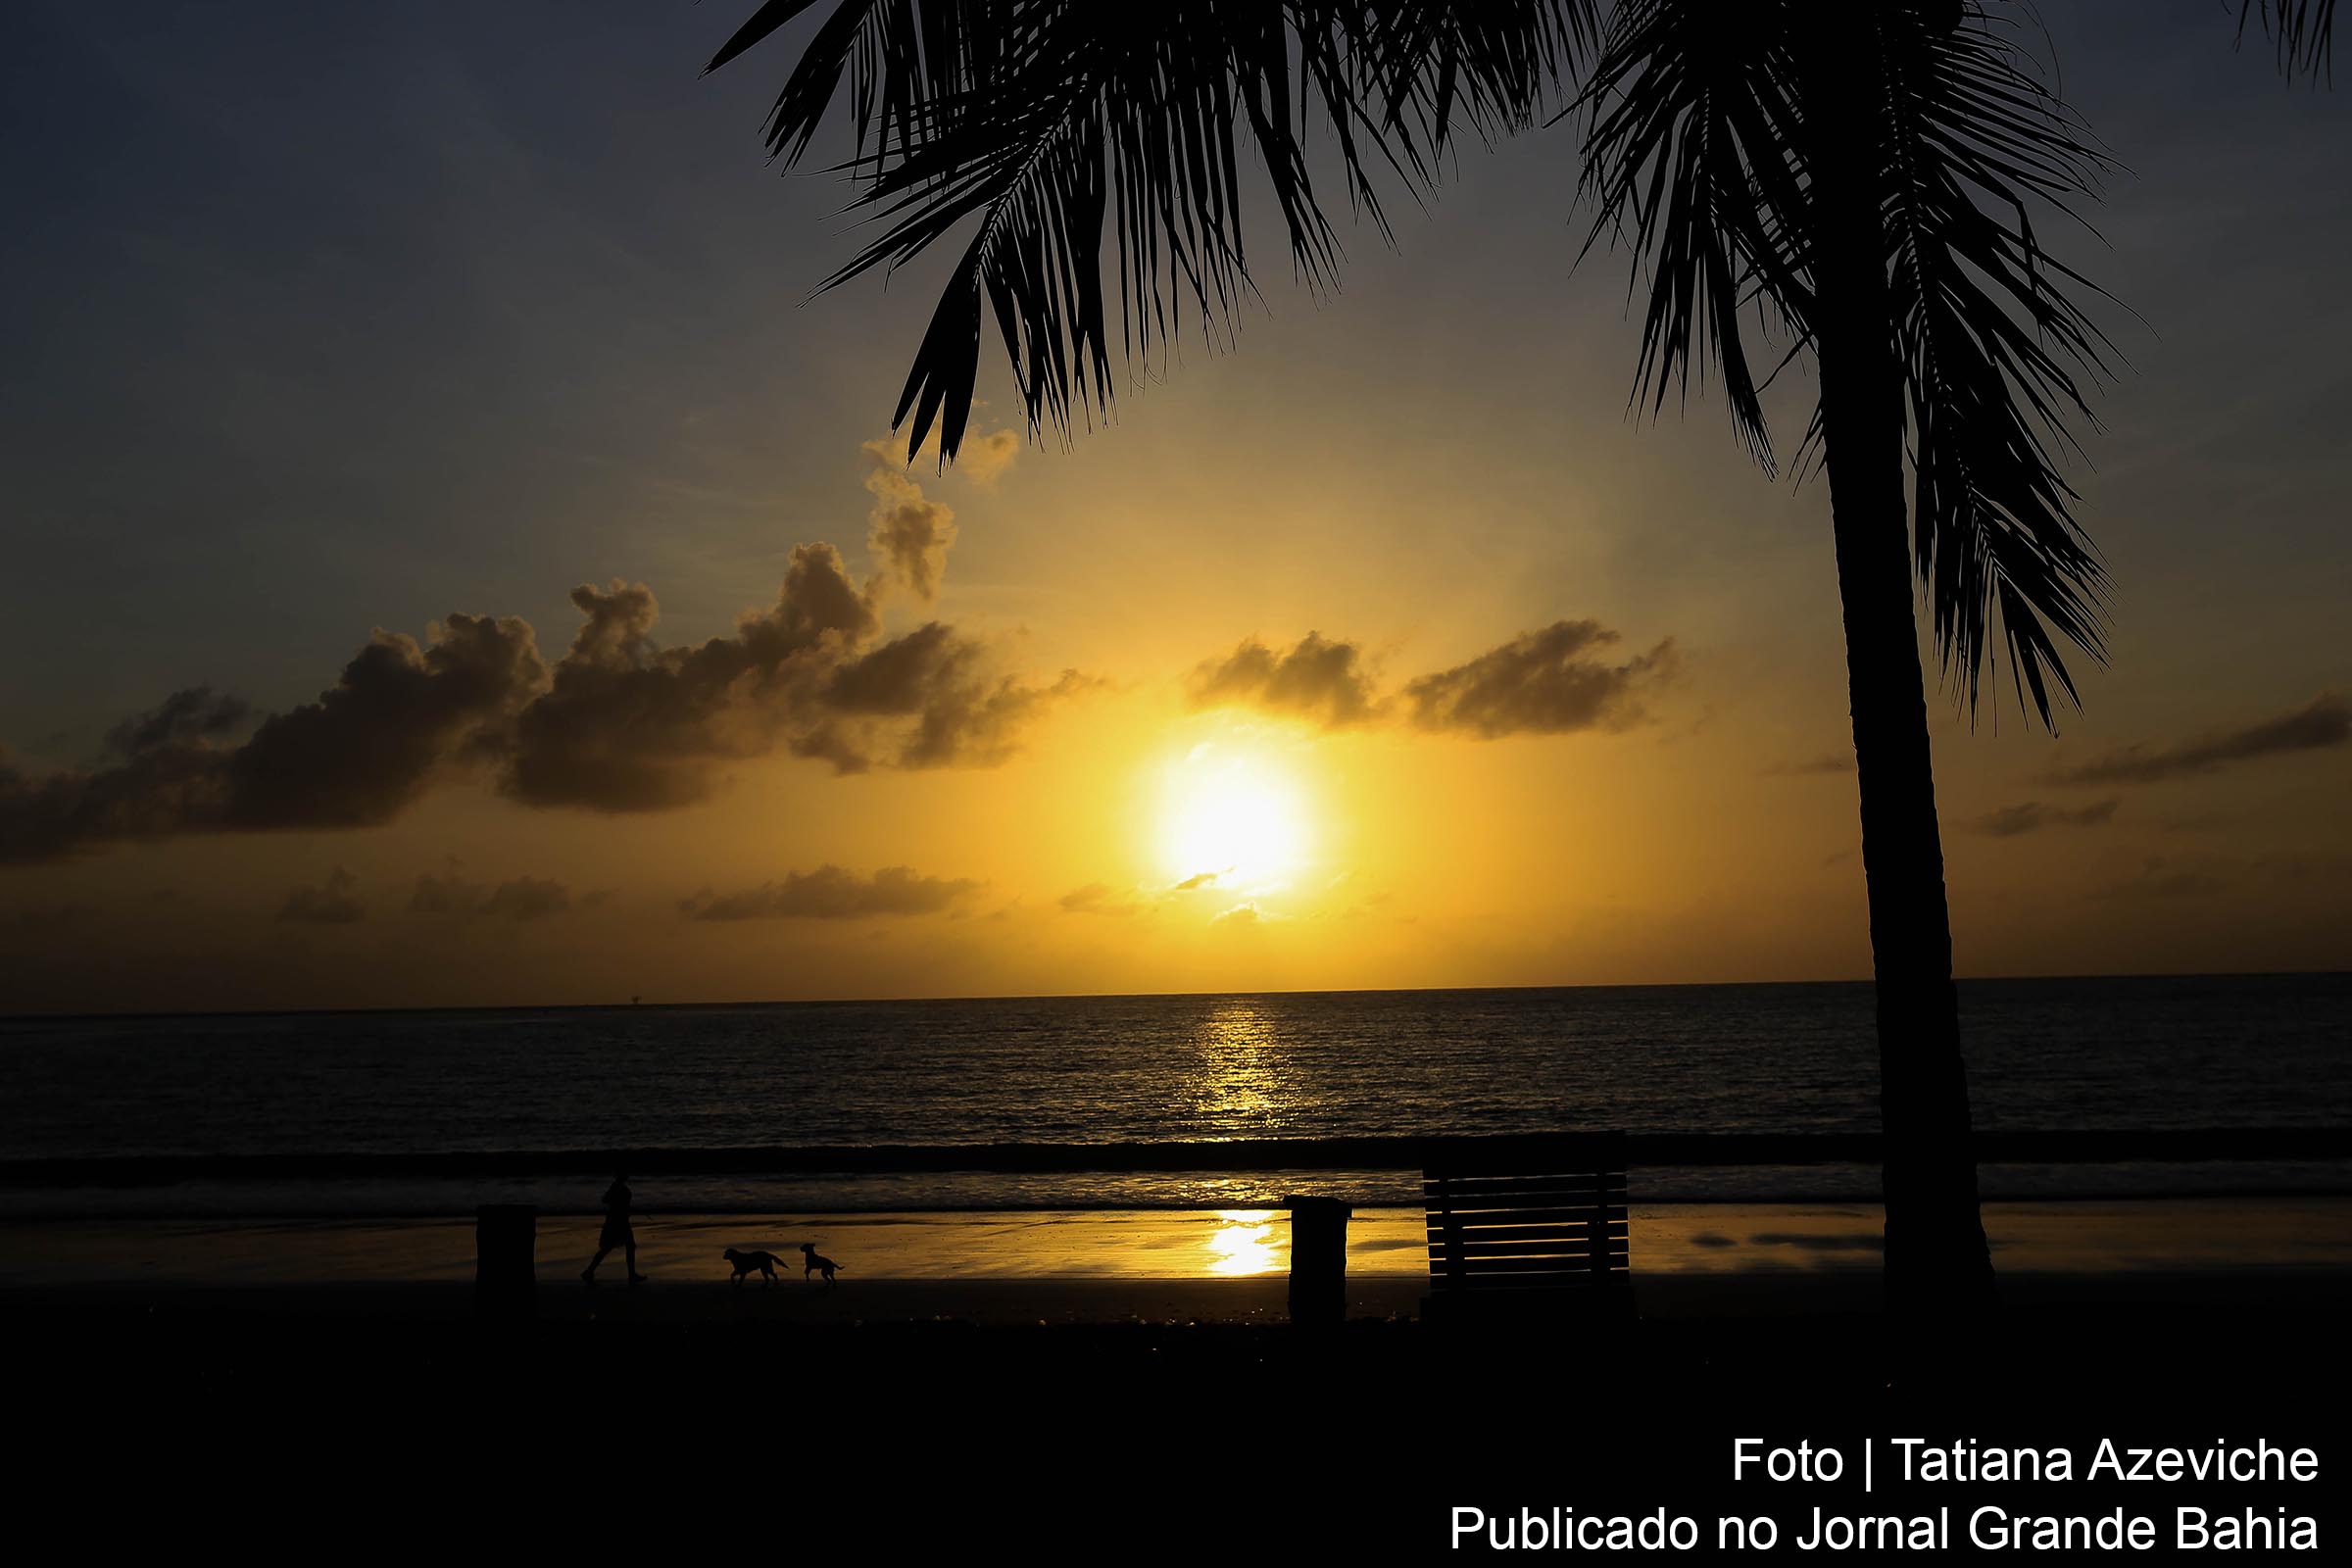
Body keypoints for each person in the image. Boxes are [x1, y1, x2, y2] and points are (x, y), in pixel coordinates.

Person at [581, 1172, 648, 1286]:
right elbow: (609, 1201)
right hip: (618, 1222)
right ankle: (631, 1275)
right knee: (619, 1247)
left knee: (615, 1247)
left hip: (617, 1221)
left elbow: (607, 1200)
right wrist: (622, 1206)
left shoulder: (616, 1186)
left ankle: (589, 1271)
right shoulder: (617, 1187)